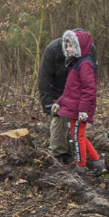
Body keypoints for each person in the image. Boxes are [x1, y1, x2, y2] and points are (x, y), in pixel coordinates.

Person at [56, 30, 107, 175]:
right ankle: (98, 163)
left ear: (80, 46)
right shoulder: (75, 63)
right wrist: (59, 102)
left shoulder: (85, 64)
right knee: (79, 135)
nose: (68, 49)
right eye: (66, 46)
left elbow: (89, 88)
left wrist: (83, 110)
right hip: (74, 107)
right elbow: (70, 91)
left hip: (80, 109)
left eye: (71, 46)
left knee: (78, 137)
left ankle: (81, 167)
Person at [38, 34, 73, 163]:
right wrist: (47, 103)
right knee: (58, 118)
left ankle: (74, 150)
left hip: (75, 90)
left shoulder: (87, 51)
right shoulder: (53, 49)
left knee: (76, 122)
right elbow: (44, 78)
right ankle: (58, 153)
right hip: (56, 90)